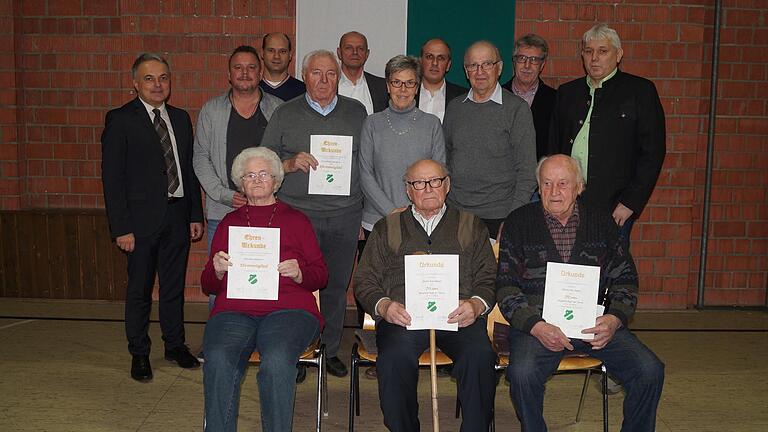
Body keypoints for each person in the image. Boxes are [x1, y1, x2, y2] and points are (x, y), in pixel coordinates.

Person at [496, 154, 664, 431]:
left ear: (579, 187)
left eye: (563, 183)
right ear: (538, 187)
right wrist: (535, 325)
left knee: (649, 370)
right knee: (522, 373)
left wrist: (614, 319)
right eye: (547, 183)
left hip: (594, 325)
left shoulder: (602, 223)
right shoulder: (518, 222)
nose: (554, 191)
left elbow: (626, 278)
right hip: (537, 328)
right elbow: (506, 286)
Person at [354, 159, 497, 432]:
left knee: (480, 356)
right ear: (408, 190)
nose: (428, 188)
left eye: (435, 181)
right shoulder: (388, 227)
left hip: (459, 317)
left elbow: (488, 276)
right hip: (404, 318)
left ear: (447, 185)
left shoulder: (471, 225)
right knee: (393, 360)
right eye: (419, 183)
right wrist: (384, 307)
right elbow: (365, 279)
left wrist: (476, 305)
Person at [201, 147, 328, 432]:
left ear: (275, 180)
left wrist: (300, 274)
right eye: (249, 175)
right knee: (219, 359)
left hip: (290, 310)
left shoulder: (297, 220)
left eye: (263, 174)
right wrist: (218, 270)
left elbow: (320, 276)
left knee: (276, 361)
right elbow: (207, 284)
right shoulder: (229, 223)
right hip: (235, 310)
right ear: (241, 183)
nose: (257, 180)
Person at [261, 49, 367, 378]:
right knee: (296, 285)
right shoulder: (284, 113)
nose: (323, 80)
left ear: (339, 77)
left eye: (330, 74)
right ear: (304, 77)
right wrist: (290, 164)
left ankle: (330, 349)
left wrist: (364, 214)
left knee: (336, 286)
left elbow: (368, 162)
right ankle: (298, 348)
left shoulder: (357, 112)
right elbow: (263, 162)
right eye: (316, 73)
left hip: (344, 214)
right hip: (298, 215)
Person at [101, 53, 203, 381]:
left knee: (173, 287)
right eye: (149, 78)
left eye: (163, 78)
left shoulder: (181, 118)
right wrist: (122, 228)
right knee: (140, 289)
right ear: (135, 83)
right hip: (139, 223)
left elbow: (187, 169)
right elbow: (112, 178)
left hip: (177, 216)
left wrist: (193, 214)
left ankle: (174, 345)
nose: (158, 84)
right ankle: (139, 352)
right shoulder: (120, 119)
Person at [548, 24, 666, 245]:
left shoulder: (640, 92)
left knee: (610, 272)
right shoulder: (567, 93)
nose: (594, 58)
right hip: (568, 204)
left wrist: (630, 203)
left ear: (618, 54)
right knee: (565, 270)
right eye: (588, 51)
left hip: (615, 206)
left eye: (603, 51)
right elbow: (553, 149)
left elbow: (653, 153)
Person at [193, 45, 283, 310]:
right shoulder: (212, 110)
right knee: (220, 277)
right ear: (229, 75)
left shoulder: (278, 109)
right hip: (224, 211)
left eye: (251, 67)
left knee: (267, 278)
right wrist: (223, 194)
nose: (245, 73)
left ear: (260, 72)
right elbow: (200, 157)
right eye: (238, 68)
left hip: (269, 212)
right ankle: (219, 337)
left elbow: (283, 159)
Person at [443, 40, 537, 237]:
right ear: (466, 71)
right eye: (473, 65)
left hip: (500, 216)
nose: (480, 71)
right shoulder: (454, 108)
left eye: (487, 64)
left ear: (499, 68)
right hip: (456, 213)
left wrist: (513, 218)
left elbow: (527, 171)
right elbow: (445, 160)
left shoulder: (517, 110)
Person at [359, 54, 445, 234]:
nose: (403, 89)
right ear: (388, 86)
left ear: (417, 87)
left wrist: (413, 214)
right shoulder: (372, 123)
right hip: (377, 221)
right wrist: (391, 211)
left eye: (409, 83)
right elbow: (365, 174)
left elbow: (439, 175)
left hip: (422, 220)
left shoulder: (432, 124)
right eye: (397, 82)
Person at [502, 33, 557, 160]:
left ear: (542, 65)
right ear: (514, 62)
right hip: (503, 176)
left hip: (540, 175)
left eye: (534, 60)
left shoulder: (555, 99)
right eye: (522, 58)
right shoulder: (497, 96)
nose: (527, 65)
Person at [415, 38, 467, 122]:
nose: (435, 63)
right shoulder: (406, 94)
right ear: (420, 62)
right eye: (429, 57)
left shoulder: (463, 98)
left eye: (441, 58)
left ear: (448, 65)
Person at [336, 31, 388, 114]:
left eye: (360, 48)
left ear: (367, 54)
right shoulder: (328, 84)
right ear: (339, 53)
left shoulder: (383, 86)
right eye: (348, 48)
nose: (355, 52)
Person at [259, 32, 306, 101]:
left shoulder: (304, 92)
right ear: (262, 53)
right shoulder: (252, 89)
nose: (276, 56)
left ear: (290, 55)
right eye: (271, 51)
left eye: (282, 51)